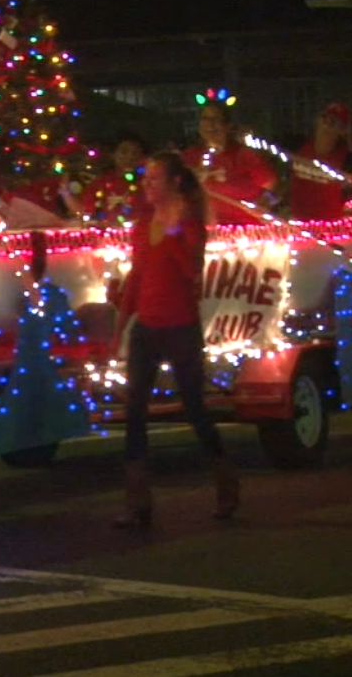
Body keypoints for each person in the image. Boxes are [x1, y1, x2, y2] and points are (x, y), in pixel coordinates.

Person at [113, 153, 238, 527]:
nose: (146, 185)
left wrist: (174, 232)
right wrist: (120, 329)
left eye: (154, 179)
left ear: (175, 182)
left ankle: (226, 483)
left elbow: (191, 271)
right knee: (135, 411)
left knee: (194, 407)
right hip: (147, 327)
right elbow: (136, 278)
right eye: (145, 178)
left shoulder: (190, 223)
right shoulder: (142, 225)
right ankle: (138, 500)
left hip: (181, 326)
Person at [181, 97, 278, 224]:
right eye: (205, 119)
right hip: (204, 227)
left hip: (243, 227)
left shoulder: (244, 155)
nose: (210, 124)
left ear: (228, 126)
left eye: (216, 119)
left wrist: (264, 203)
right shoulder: (189, 157)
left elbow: (273, 188)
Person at [289, 102, 352, 221]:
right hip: (298, 222)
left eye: (333, 123)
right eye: (324, 119)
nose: (326, 125)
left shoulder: (346, 159)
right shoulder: (299, 148)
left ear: (343, 130)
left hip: (330, 225)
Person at [64, 130, 147, 225]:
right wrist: (66, 194)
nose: (130, 157)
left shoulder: (147, 183)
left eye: (135, 153)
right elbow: (84, 209)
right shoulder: (101, 182)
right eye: (124, 152)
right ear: (113, 154)